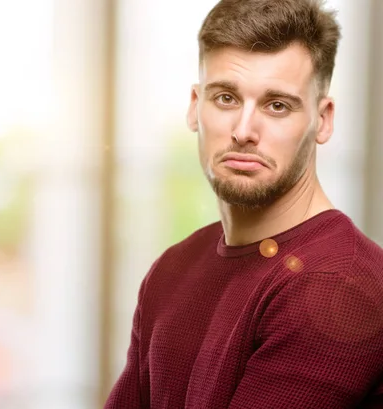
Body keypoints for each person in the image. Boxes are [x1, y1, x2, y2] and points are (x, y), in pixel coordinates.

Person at [104, 0, 383, 408]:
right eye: (226, 99)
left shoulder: (341, 283)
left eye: (277, 105)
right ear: (195, 105)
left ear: (322, 120)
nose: (244, 130)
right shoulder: (174, 267)